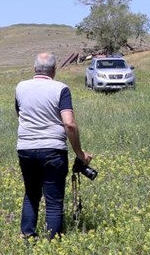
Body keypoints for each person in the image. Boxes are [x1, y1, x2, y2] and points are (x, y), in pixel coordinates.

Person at [15, 52, 93, 239]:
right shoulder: (61, 89)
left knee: (31, 194)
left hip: (25, 147)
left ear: (35, 69)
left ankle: (28, 236)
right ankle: (52, 242)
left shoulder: (20, 87)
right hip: (53, 149)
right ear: (54, 70)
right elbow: (69, 124)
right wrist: (80, 153)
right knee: (54, 200)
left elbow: (20, 114)